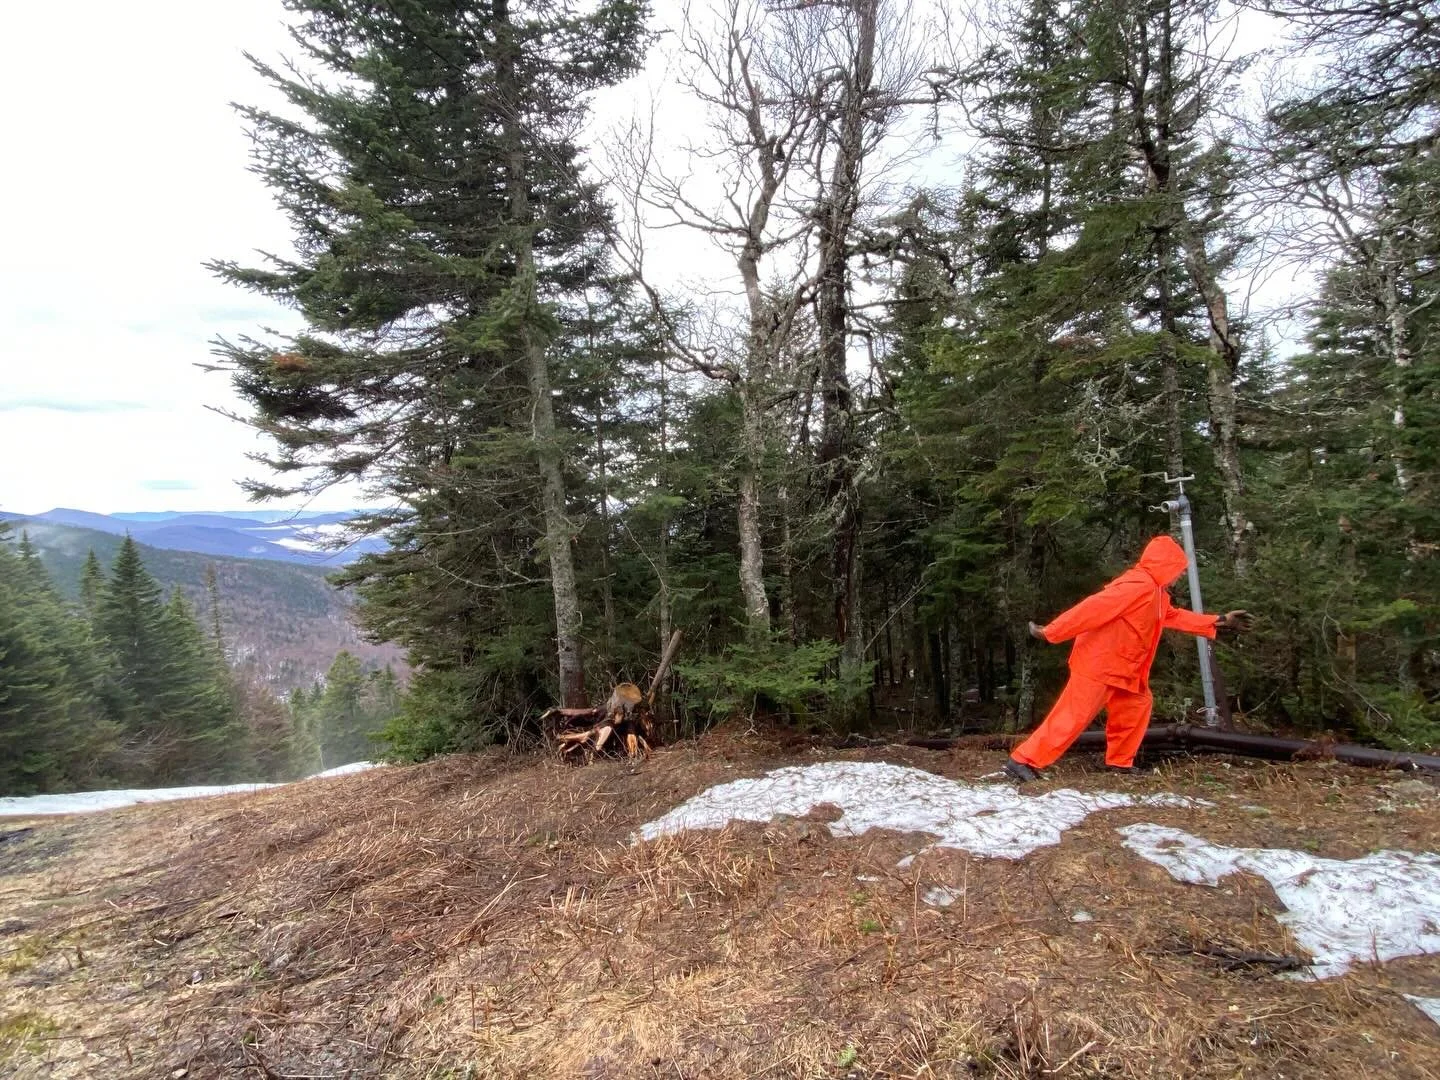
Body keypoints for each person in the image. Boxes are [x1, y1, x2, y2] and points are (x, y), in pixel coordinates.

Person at [1004, 535, 1253, 782]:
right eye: (1178, 569)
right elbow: (1092, 609)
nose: (1179, 575)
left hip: (1125, 669)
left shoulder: (1155, 592)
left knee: (1136, 706)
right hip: (1100, 665)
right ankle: (1022, 760)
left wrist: (1219, 621)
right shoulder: (1137, 586)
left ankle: (1119, 763)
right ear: (1164, 566)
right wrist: (1052, 631)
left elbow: (1174, 616)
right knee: (1072, 716)